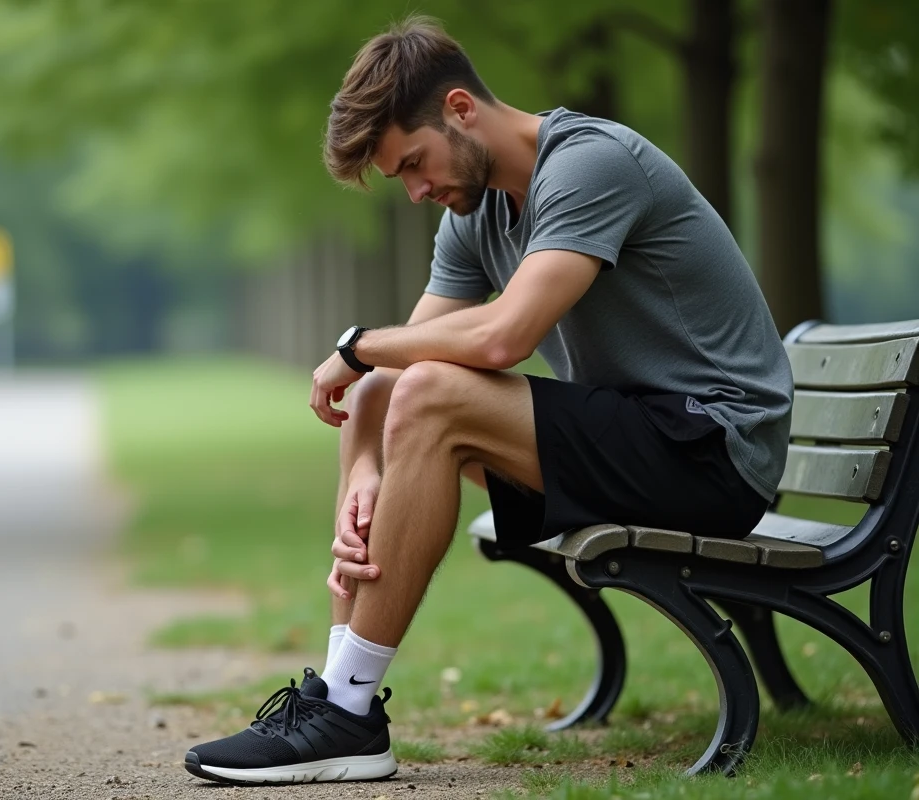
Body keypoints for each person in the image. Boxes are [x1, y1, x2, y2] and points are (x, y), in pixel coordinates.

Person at [183, 14, 792, 785]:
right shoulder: (474, 214)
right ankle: (339, 704)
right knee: (413, 397)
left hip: (715, 448)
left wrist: (355, 345)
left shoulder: (590, 165)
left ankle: (344, 713)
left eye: (413, 162)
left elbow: (503, 338)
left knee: (435, 395)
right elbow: (389, 382)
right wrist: (361, 474)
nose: (415, 191)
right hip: (645, 441)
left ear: (461, 109)